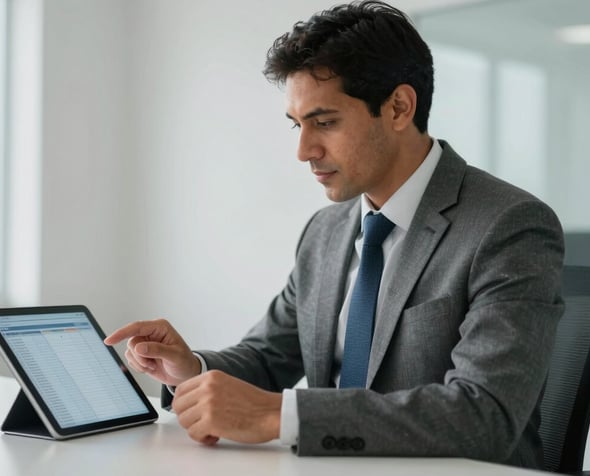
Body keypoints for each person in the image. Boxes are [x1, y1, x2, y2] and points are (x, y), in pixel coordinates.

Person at [105, 0, 564, 469]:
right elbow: (268, 358)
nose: (304, 151)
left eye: (324, 122)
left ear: (399, 107)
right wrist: (192, 371)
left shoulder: (510, 225)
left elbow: (482, 416)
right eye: (297, 125)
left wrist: (280, 414)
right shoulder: (326, 231)